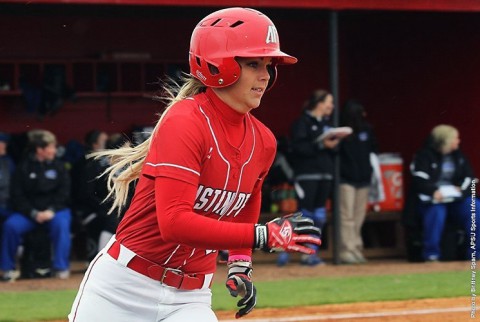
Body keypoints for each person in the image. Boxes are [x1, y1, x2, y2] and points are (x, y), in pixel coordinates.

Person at [68, 7, 321, 322]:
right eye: (254, 64)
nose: (266, 75)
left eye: (268, 65)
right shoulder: (186, 120)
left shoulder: (264, 140)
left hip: (190, 297)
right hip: (123, 289)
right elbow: (174, 223)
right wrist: (262, 236)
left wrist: (241, 263)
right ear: (219, 65)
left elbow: (246, 204)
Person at [0, 129, 72, 281]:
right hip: (29, 213)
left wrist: (51, 210)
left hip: (55, 211)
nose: (54, 150)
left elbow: (65, 193)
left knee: (62, 224)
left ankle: (61, 267)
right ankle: (7, 269)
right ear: (40, 149)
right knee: (10, 226)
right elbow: (17, 195)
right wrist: (33, 213)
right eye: (51, 147)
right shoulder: (23, 167)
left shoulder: (59, 166)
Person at [278, 89, 337, 267]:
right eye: (328, 102)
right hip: (306, 175)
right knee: (305, 215)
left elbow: (334, 151)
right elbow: (298, 149)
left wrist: (333, 145)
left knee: (319, 215)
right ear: (319, 103)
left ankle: (310, 253)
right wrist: (320, 144)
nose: (331, 106)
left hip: (325, 173)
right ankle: (284, 248)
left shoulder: (327, 124)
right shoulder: (301, 123)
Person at [409, 124, 479, 262]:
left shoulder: (459, 156)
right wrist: (433, 191)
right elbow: (419, 179)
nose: (458, 141)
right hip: (433, 199)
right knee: (436, 212)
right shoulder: (424, 156)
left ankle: (475, 253)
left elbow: (469, 178)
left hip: (456, 199)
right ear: (445, 140)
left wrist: (462, 189)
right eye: (455, 138)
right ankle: (432, 254)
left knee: (475, 207)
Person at [338, 100, 378, 264]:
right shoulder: (341, 132)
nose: (364, 116)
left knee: (359, 216)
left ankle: (356, 247)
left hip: (363, 179)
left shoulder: (367, 130)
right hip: (346, 179)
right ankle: (346, 250)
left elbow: (374, 149)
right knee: (346, 216)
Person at [0, 132, 15, 219]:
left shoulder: (8, 161)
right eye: (3, 143)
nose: (5, 145)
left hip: (8, 204)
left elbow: (15, 183)